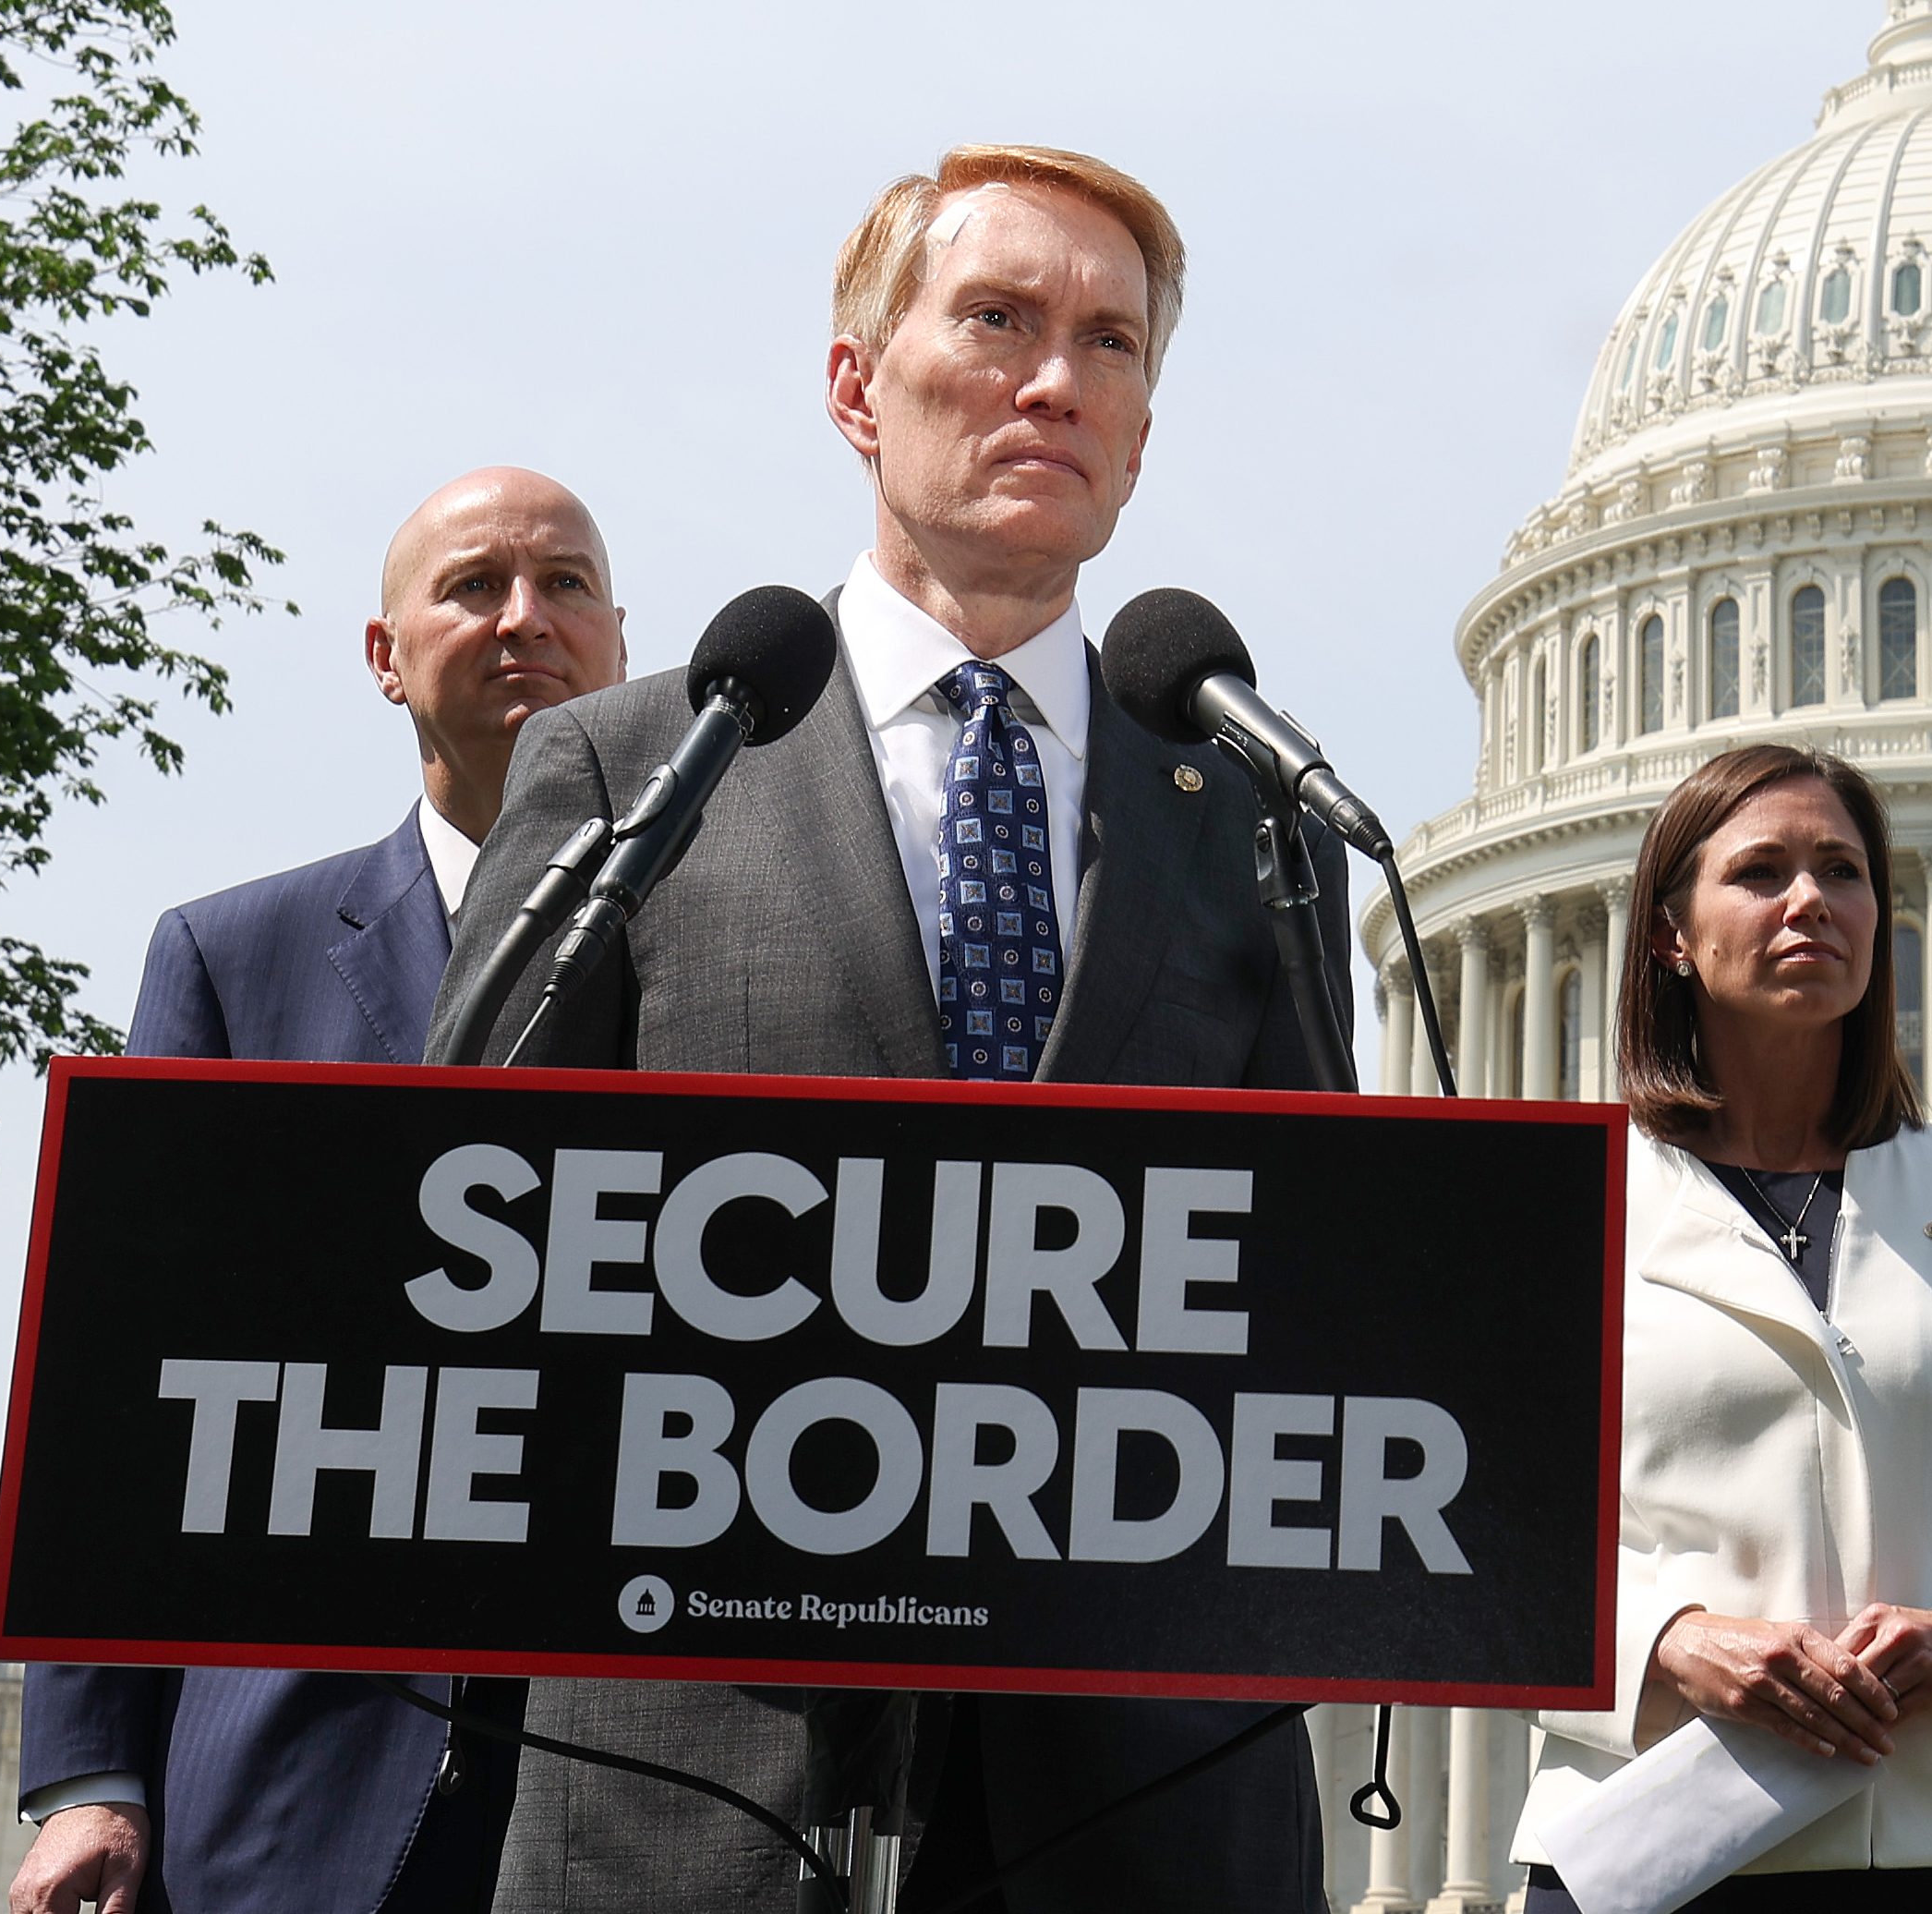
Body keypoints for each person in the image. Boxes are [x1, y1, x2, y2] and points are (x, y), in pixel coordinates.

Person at [428, 146, 1341, 1914]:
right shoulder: (636, 765)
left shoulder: (1251, 807)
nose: (1055, 378)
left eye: (1110, 344)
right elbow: (467, 1214)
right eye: (994, 318)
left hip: (1143, 1796)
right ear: (856, 386)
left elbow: (1316, 1291)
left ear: (1142, 432)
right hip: (694, 1770)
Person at [11, 466, 629, 1914]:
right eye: (474, 586)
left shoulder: (736, 958)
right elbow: (124, 1374)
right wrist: (92, 1772)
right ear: (385, 655)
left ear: (619, 644)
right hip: (300, 1786)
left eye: (568, 587)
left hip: (637, 1784)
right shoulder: (237, 959)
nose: (525, 619)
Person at [1515, 744, 1932, 1912]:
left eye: (1844, 870)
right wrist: (1670, 1642)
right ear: (1669, 932)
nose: (1811, 898)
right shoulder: (1563, 1207)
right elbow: (1478, 1553)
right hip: (1659, 1847)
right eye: (1762, 870)